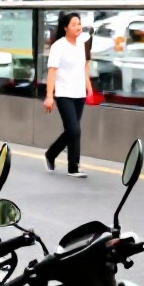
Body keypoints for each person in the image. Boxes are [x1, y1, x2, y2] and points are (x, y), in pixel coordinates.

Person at [43, 11, 90, 178]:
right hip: (64, 94)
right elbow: (52, 72)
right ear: (65, 28)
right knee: (75, 129)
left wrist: (89, 87)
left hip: (79, 93)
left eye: (79, 23)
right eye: (74, 24)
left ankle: (51, 153)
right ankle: (73, 166)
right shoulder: (59, 46)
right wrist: (49, 96)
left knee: (72, 130)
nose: (78, 27)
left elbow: (84, 67)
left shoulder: (83, 43)